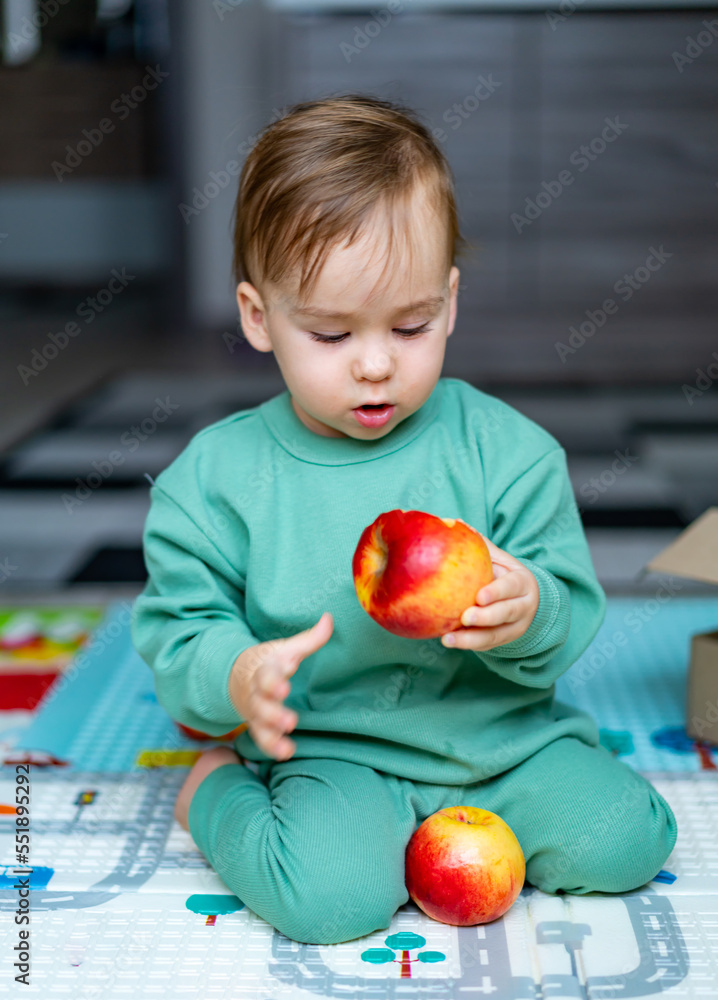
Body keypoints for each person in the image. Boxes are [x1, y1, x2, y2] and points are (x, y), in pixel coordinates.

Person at [131, 93, 677, 946]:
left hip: (504, 743)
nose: (377, 363)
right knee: (327, 903)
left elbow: (570, 613)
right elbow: (177, 630)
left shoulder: (510, 451)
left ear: (450, 303)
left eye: (412, 324)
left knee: (630, 841)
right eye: (331, 334)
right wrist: (237, 676)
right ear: (257, 318)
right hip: (337, 754)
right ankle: (213, 794)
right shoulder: (216, 481)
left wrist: (530, 607)